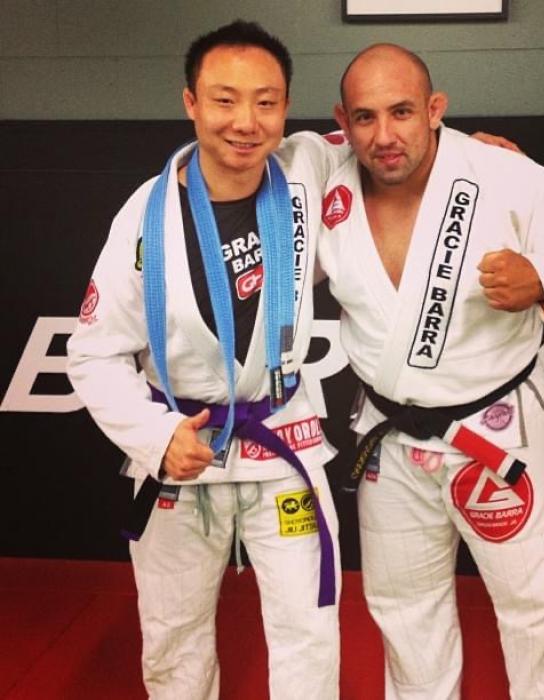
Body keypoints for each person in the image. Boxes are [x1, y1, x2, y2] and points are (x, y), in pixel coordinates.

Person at [317, 44, 544, 699]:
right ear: (342, 121)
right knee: (404, 611)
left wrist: (542, 275)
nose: (385, 135)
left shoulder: (501, 173)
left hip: (496, 430)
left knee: (535, 609)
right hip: (391, 438)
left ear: (436, 109)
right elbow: (245, 159)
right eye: (365, 117)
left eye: (403, 112)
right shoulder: (319, 179)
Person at [66, 20, 349, 700]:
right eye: (225, 100)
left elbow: (391, 135)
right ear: (191, 102)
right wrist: (157, 435)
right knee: (174, 636)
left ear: (286, 107)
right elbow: (93, 352)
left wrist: (480, 155)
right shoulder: (143, 218)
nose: (246, 122)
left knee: (310, 632)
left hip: (282, 440)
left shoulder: (307, 165)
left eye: (266, 102)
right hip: (182, 448)